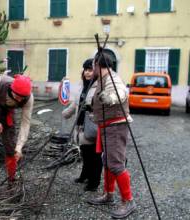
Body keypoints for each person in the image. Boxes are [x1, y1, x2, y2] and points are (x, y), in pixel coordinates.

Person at [87, 53, 136, 219]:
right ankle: (109, 194)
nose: (92, 69)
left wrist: (110, 98)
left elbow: (121, 92)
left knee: (115, 164)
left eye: (93, 65)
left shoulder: (112, 78)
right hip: (107, 126)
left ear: (97, 65)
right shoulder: (102, 79)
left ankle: (128, 201)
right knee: (107, 162)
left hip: (115, 126)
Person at [0, 74, 33, 184]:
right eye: (17, 96)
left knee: (11, 146)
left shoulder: (28, 98)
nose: (19, 99)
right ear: (11, 89)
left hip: (7, 115)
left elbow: (25, 123)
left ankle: (12, 179)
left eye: (21, 97)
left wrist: (19, 147)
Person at [62, 58, 102, 191]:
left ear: (96, 71)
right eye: (85, 70)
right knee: (85, 153)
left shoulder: (99, 86)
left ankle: (94, 182)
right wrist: (66, 113)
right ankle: (84, 175)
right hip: (81, 125)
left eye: (90, 70)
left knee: (94, 156)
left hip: (92, 126)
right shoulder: (83, 85)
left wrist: (91, 108)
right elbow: (76, 102)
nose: (87, 73)